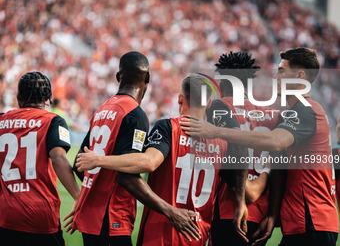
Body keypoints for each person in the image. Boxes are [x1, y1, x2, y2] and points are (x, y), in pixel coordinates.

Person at [181, 48, 339, 246]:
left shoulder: (305, 111)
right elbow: (278, 164)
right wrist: (272, 211)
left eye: (281, 71)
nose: (275, 76)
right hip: (275, 215)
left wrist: (215, 131)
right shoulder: (278, 115)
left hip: (291, 217)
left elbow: (266, 144)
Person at [75, 73, 248, 245]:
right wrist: (242, 202)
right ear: (209, 104)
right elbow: (240, 173)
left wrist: (98, 160)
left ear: (180, 99)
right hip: (197, 235)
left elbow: (148, 162)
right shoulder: (221, 142)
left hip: (159, 235)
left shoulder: (168, 128)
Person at [69, 52, 200, 246]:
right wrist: (170, 211)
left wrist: (91, 194)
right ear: (147, 78)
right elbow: (127, 177)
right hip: (112, 217)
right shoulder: (135, 114)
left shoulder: (102, 110)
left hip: (90, 218)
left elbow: (80, 164)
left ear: (117, 77)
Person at [205, 52, 279, 245]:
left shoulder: (220, 106)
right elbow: (282, 165)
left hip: (231, 210)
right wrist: (272, 214)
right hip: (261, 215)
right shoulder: (272, 114)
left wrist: (241, 199)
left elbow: (234, 149)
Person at [0, 72, 80, 245]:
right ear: (48, 98)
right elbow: (58, 158)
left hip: (6, 215)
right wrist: (78, 197)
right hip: (41, 215)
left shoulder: (2, 120)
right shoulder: (53, 121)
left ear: (19, 96)